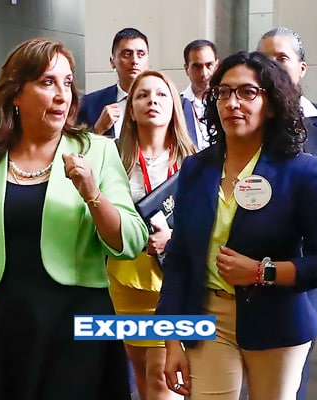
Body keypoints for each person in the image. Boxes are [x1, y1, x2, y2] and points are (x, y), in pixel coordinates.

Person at [0, 38, 149, 399]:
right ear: (15, 94)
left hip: (77, 327)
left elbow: (130, 240)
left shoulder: (97, 151)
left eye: (67, 83)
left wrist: (92, 193)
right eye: (47, 82)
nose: (61, 94)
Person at [157, 50, 317, 400]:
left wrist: (264, 271)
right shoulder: (196, 169)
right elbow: (180, 256)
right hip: (208, 317)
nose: (232, 103)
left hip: (276, 320)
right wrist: (170, 339)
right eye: (224, 92)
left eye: (247, 92)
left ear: (270, 104)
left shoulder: (299, 170)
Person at [257, 27, 317, 399]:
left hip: (307, 264)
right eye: (264, 59)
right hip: (250, 258)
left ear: (301, 68)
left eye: (281, 58)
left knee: (294, 361)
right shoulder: (244, 121)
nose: (271, 66)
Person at [108, 70, 196, 400]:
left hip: (174, 282)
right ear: (131, 109)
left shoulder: (195, 161)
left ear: (174, 106)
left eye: (161, 94)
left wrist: (172, 238)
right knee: (142, 372)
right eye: (142, 95)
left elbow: (214, 222)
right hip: (127, 280)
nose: (152, 101)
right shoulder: (114, 158)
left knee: (163, 378)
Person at [77, 28, 198, 144]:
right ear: (112, 61)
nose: (135, 60)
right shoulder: (89, 104)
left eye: (141, 54)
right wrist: (97, 131)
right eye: (127, 54)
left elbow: (191, 151)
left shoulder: (179, 105)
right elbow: (78, 150)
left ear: (148, 59)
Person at [181, 39, 218, 150]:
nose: (204, 73)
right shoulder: (177, 104)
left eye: (209, 65)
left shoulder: (227, 100)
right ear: (187, 69)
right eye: (197, 67)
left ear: (216, 66)